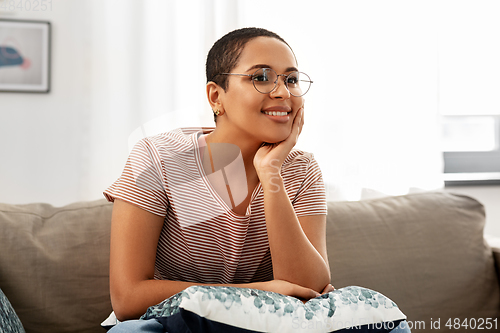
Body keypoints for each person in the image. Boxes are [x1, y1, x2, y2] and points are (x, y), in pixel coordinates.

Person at [104, 27, 409, 332]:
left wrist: (271, 173)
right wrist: (262, 292)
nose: (283, 93)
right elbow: (128, 297)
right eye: (261, 77)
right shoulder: (158, 156)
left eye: (290, 79)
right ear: (216, 96)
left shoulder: (301, 169)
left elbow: (308, 289)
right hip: (175, 322)